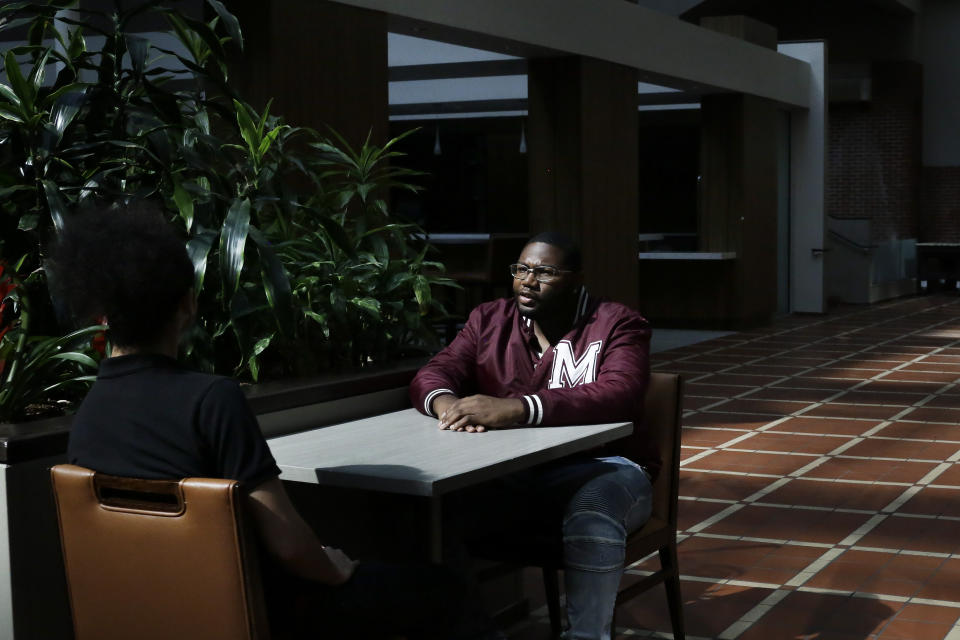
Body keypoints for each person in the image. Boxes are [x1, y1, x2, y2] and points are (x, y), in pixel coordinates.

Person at [48, 204, 484, 640]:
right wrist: (336, 569)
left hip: (145, 616)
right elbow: (289, 545)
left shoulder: (90, 411)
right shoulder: (212, 400)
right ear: (187, 304)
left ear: (103, 315)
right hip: (261, 613)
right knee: (441, 589)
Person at [410, 231, 657, 640]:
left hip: (607, 467)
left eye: (545, 271)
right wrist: (447, 407)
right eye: (521, 269)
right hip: (516, 472)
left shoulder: (617, 323)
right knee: (434, 515)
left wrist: (518, 408)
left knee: (593, 509)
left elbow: (622, 392)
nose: (528, 281)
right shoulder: (488, 319)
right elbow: (435, 372)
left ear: (576, 278)